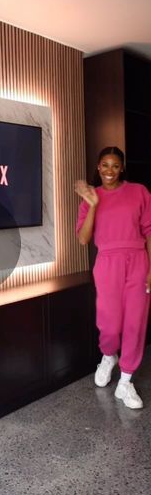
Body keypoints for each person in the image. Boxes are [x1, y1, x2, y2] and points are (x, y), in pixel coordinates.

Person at [75, 146, 151, 409]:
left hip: (138, 260)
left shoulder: (139, 192)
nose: (110, 170)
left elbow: (149, 230)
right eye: (105, 165)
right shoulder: (90, 196)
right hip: (107, 262)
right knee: (109, 323)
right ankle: (108, 355)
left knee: (135, 322)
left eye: (115, 165)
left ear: (122, 168)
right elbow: (84, 239)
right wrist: (93, 204)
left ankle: (126, 381)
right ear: (98, 167)